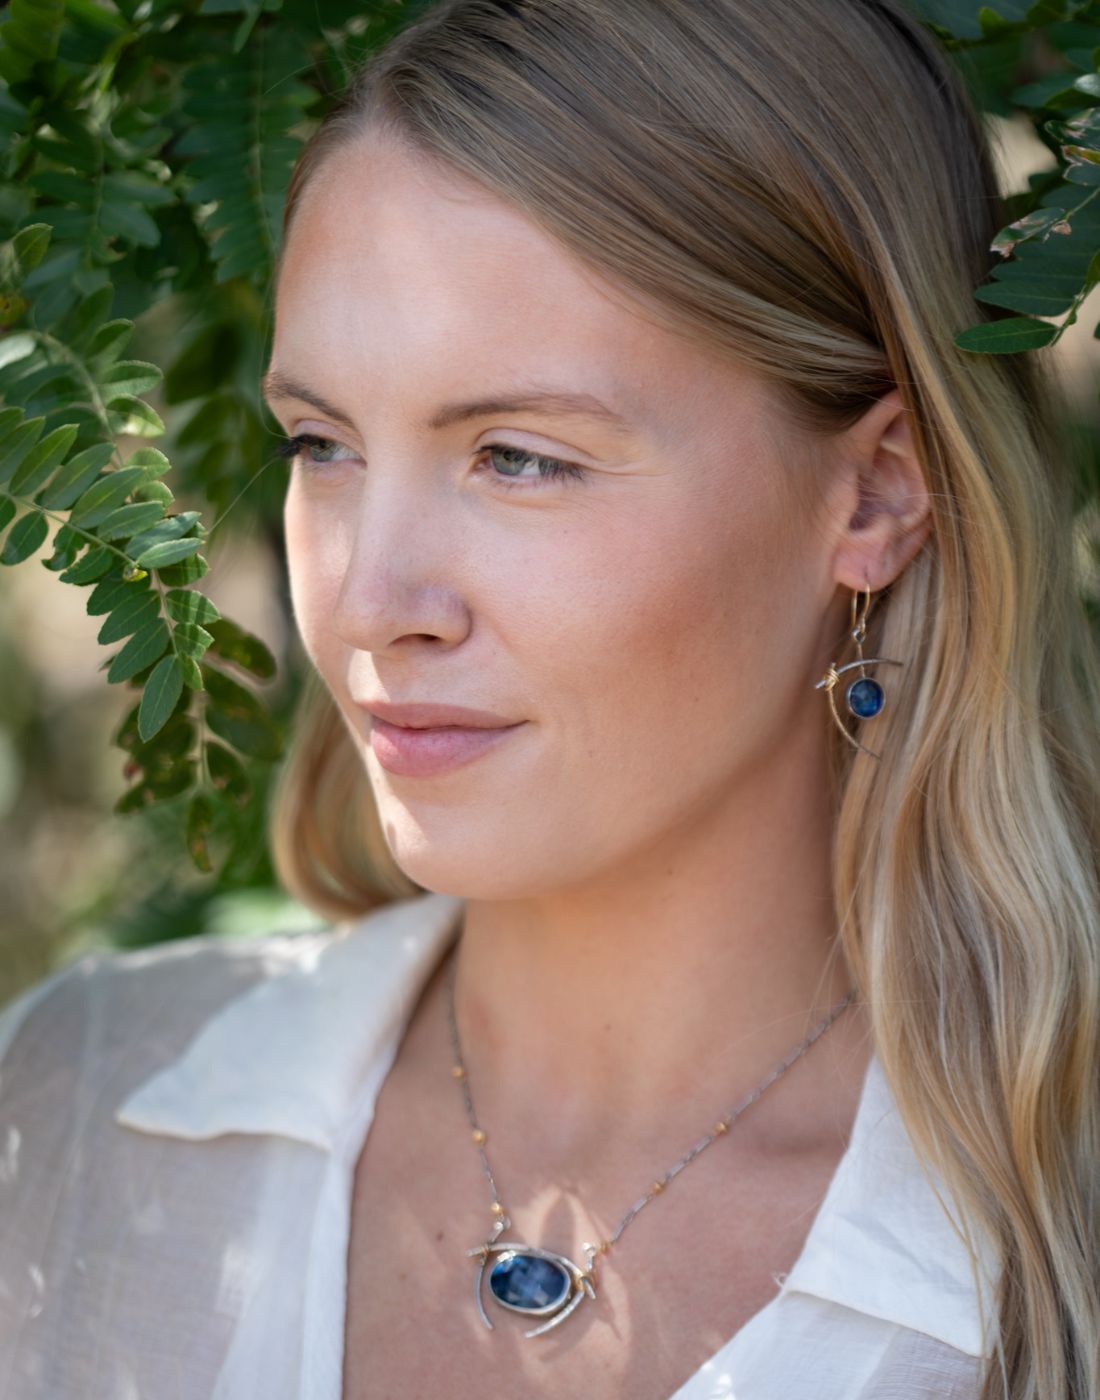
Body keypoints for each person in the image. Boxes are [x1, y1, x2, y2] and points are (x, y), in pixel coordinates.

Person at [1, 0, 1098, 1396]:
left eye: (519, 458)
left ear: (877, 492)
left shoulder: (1054, 1255)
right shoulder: (69, 1119)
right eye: (322, 444)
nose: (374, 599)